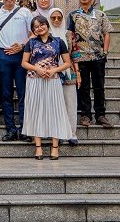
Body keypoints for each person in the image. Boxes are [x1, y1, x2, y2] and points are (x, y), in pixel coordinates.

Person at [21, 15, 74, 160]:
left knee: (55, 110)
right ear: (33, 30)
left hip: (53, 79)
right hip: (34, 80)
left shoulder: (58, 41)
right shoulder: (31, 42)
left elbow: (67, 63)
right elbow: (24, 63)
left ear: (47, 24)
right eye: (36, 27)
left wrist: (53, 70)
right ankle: (38, 147)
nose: (39, 28)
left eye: (41, 25)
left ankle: (55, 147)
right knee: (35, 111)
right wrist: (37, 69)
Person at [0, 0, 34, 142]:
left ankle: (24, 129)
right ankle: (10, 129)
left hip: (22, 55)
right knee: (6, 94)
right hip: (3, 55)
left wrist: (21, 46)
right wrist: (3, 46)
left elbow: (32, 33)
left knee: (23, 93)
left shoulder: (25, 12)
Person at [68, 0, 114, 129]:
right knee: (83, 87)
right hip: (81, 57)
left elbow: (107, 33)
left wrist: (105, 51)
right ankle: (86, 115)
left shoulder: (100, 14)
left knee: (99, 86)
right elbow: (71, 35)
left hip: (98, 56)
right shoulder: (73, 15)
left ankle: (100, 115)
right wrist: (72, 56)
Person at [49, 7, 80, 146]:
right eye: (53, 18)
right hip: (51, 73)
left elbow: (75, 53)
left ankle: (72, 133)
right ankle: (59, 133)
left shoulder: (69, 34)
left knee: (71, 104)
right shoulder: (46, 35)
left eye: (59, 18)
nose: (56, 20)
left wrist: (78, 72)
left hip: (69, 72)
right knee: (55, 105)